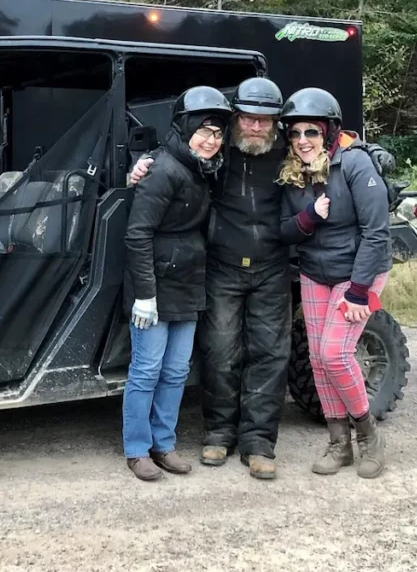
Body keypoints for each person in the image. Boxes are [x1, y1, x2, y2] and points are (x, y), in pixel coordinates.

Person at [130, 77, 292, 480]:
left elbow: (331, 148)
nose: (256, 127)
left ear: (275, 123)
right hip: (221, 267)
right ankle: (219, 434)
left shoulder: (289, 153)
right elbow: (177, 155)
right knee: (219, 354)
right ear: (236, 118)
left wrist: (369, 152)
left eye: (265, 121)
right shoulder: (217, 155)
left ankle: (258, 442)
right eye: (249, 119)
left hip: (272, 268)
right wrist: (139, 166)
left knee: (269, 356)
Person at [276, 87, 392, 478]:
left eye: (311, 132)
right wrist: (308, 216)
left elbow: (377, 234)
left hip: (359, 273)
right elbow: (284, 230)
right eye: (295, 133)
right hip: (315, 272)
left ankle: (368, 436)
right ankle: (338, 443)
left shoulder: (356, 165)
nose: (303, 140)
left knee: (334, 353)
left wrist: (360, 290)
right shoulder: (290, 173)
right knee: (315, 359)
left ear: (328, 131)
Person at [122, 85, 233, 482]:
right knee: (146, 370)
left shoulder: (205, 169)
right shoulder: (163, 169)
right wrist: (145, 296)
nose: (211, 140)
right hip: (155, 286)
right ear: (185, 128)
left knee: (175, 372)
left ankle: (163, 445)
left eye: (218, 134)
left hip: (188, 283)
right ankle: (137, 450)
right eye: (204, 131)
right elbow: (138, 234)